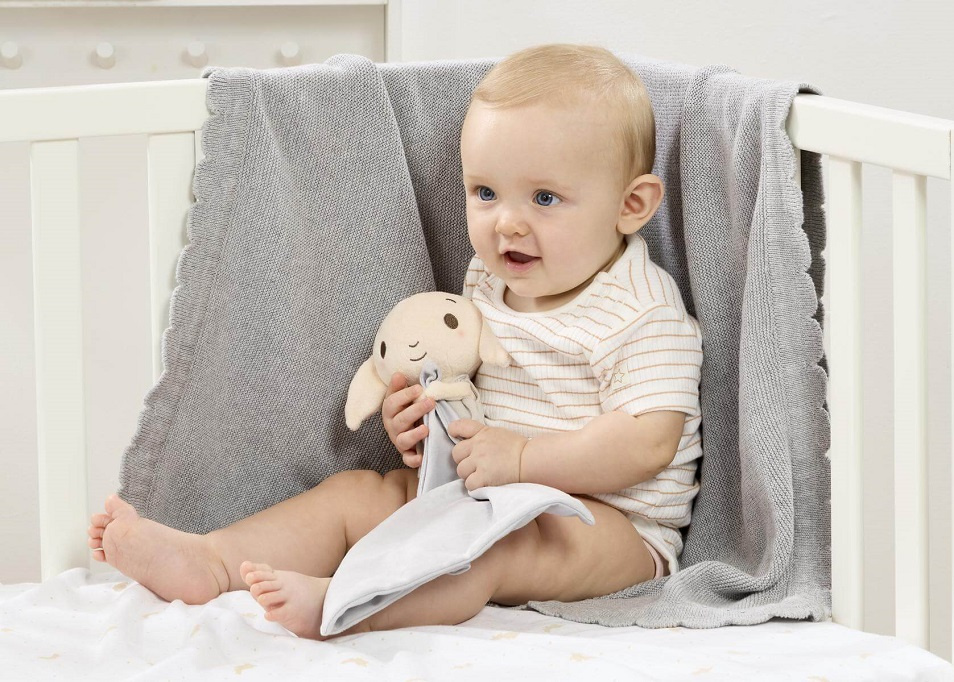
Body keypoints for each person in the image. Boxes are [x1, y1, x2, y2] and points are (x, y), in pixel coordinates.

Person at [86, 43, 703, 641]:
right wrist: (422, 424)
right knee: (356, 494)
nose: (507, 223)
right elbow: (467, 384)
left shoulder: (640, 308)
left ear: (631, 204)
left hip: (608, 526)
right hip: (483, 490)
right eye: (485, 193)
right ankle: (214, 560)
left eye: (545, 198)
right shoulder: (490, 280)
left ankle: (353, 604)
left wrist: (522, 462)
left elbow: (647, 442)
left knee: (492, 547)